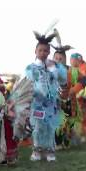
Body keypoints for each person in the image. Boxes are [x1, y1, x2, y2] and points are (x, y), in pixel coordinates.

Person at [26, 31, 67, 162]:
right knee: (38, 127)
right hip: (37, 103)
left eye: (46, 51)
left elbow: (63, 80)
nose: (43, 53)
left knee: (50, 127)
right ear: (35, 51)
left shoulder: (55, 66)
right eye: (40, 50)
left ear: (49, 52)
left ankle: (50, 151)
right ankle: (37, 151)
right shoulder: (31, 67)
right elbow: (28, 82)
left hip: (51, 103)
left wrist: (54, 69)